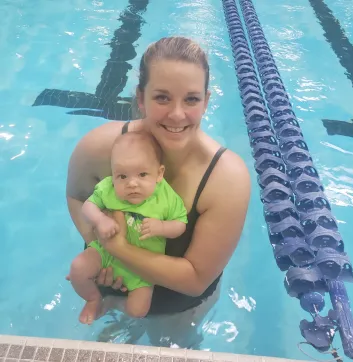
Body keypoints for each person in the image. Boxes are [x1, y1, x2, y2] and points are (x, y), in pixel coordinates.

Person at [66, 36, 251, 346]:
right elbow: (77, 195)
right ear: (141, 98)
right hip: (111, 284)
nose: (177, 114)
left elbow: (194, 280)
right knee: (115, 336)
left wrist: (118, 250)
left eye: (191, 99)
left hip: (176, 308)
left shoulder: (225, 178)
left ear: (206, 101)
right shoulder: (100, 146)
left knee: (173, 343)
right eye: (162, 98)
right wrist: (96, 245)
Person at [68, 131, 188, 325]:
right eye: (122, 176)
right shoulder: (108, 188)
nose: (132, 184)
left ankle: (113, 303)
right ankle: (93, 299)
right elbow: (87, 207)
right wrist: (100, 220)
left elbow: (180, 224)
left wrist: (162, 227)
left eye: (142, 174)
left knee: (138, 310)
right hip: (106, 255)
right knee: (78, 268)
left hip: (143, 267)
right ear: (113, 174)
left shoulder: (166, 197)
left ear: (159, 173)